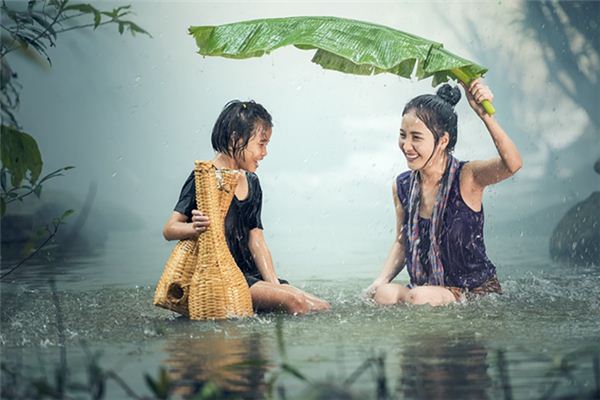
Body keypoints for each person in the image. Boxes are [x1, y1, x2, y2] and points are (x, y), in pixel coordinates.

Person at [163, 100, 330, 315]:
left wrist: (274, 284)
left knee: (321, 306)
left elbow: (256, 240)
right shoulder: (205, 178)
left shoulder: (252, 182)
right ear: (236, 138)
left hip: (251, 276)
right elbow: (169, 229)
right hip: (224, 278)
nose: (265, 152)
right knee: (296, 302)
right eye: (261, 143)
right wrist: (193, 228)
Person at [366, 79, 522, 306]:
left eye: (416, 137)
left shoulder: (467, 177)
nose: (406, 146)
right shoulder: (402, 186)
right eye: (403, 135)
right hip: (426, 291)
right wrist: (380, 280)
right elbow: (402, 241)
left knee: (419, 297)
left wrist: (484, 114)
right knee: (384, 295)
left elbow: (512, 164)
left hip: (474, 292)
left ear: (442, 141)